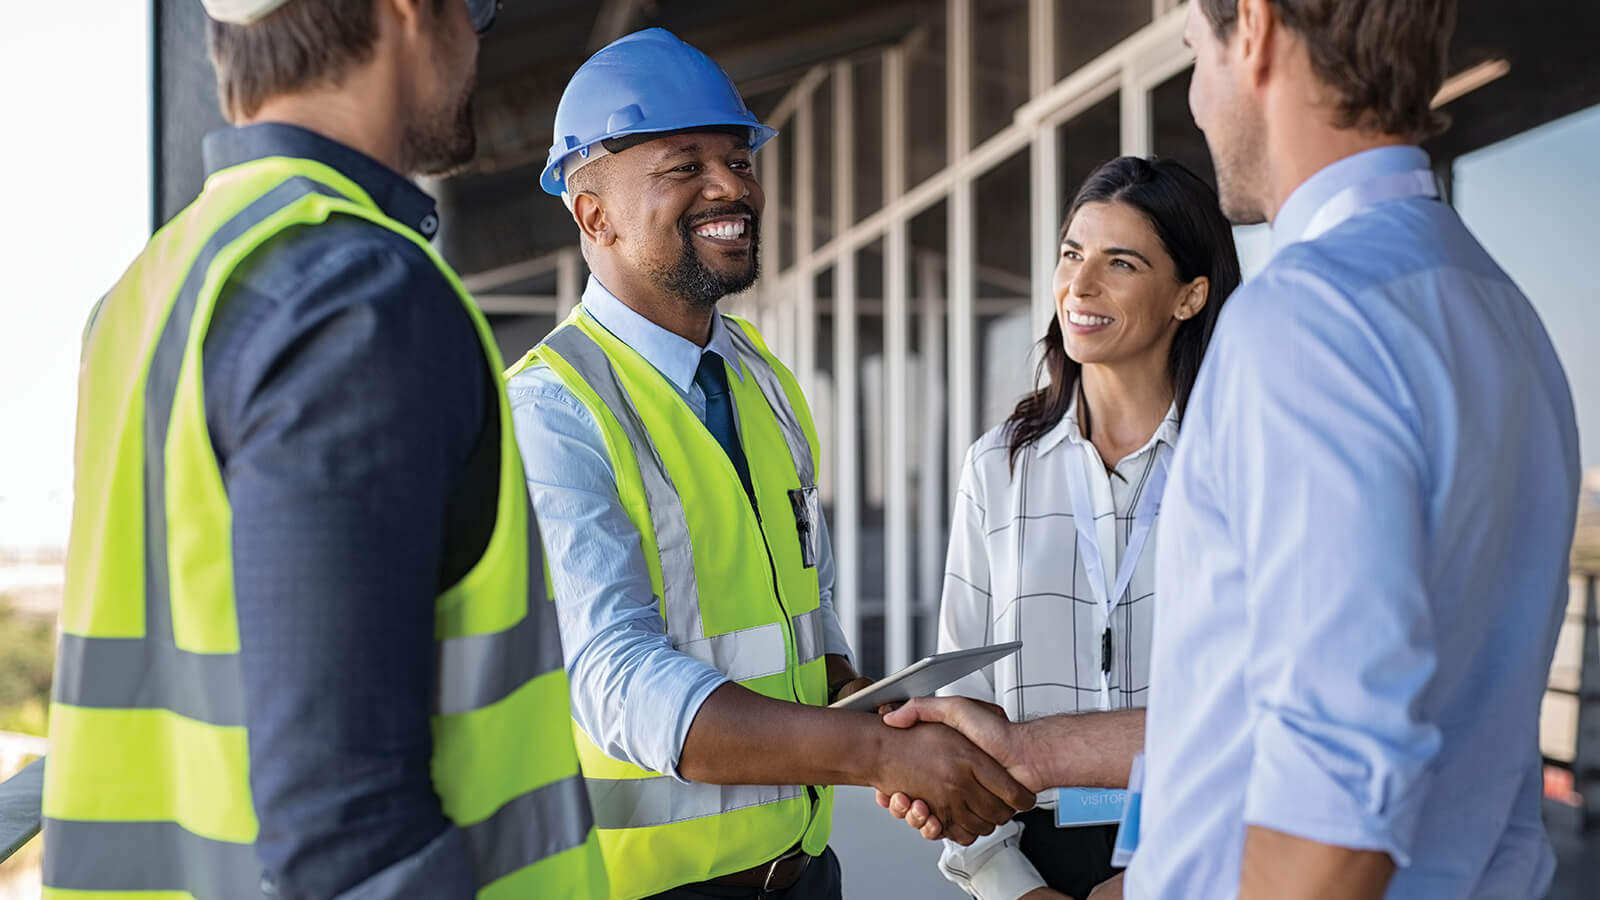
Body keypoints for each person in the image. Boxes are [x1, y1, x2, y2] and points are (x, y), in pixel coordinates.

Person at [880, 0, 1581, 898]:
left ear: (1251, 29)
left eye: (1193, 53)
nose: (1200, 102)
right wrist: (1028, 752)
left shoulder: (1307, 321)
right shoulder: (1499, 309)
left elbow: (1334, 791)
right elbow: (1254, 714)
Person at [42, 1, 607, 897]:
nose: (477, 36)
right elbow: (350, 840)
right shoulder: (356, 297)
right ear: (411, 12)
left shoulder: (148, 289)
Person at [507, 27, 1032, 900]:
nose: (732, 188)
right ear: (592, 213)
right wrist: (880, 755)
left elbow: (801, 619)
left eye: (739, 158)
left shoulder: (758, 376)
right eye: (684, 166)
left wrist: (887, 710)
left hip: (800, 876)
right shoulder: (552, 411)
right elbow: (618, 682)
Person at [932, 155, 1238, 900]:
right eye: (1072, 254)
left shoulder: (1239, 462)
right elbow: (964, 694)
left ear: (1190, 295)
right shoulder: (997, 467)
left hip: (1203, 854)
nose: (1080, 285)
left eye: (1120, 262)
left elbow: (1266, 705)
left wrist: (1150, 885)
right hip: (1035, 861)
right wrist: (1009, 883)